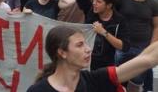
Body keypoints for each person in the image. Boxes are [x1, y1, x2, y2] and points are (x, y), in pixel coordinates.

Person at [27, 25, 158, 92]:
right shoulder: (38, 90)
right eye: (79, 45)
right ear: (62, 52)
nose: (88, 49)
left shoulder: (95, 80)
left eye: (85, 43)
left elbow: (147, 59)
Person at [115, 0, 158, 91]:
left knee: (137, 81)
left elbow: (156, 26)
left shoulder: (153, 4)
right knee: (118, 78)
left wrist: (151, 47)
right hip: (122, 47)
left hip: (142, 49)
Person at [74, 0, 130, 70]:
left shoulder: (119, 20)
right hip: (86, 63)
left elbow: (124, 46)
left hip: (107, 66)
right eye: (94, 0)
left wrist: (104, 32)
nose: (94, 3)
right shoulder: (91, 13)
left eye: (98, 2)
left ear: (109, 5)